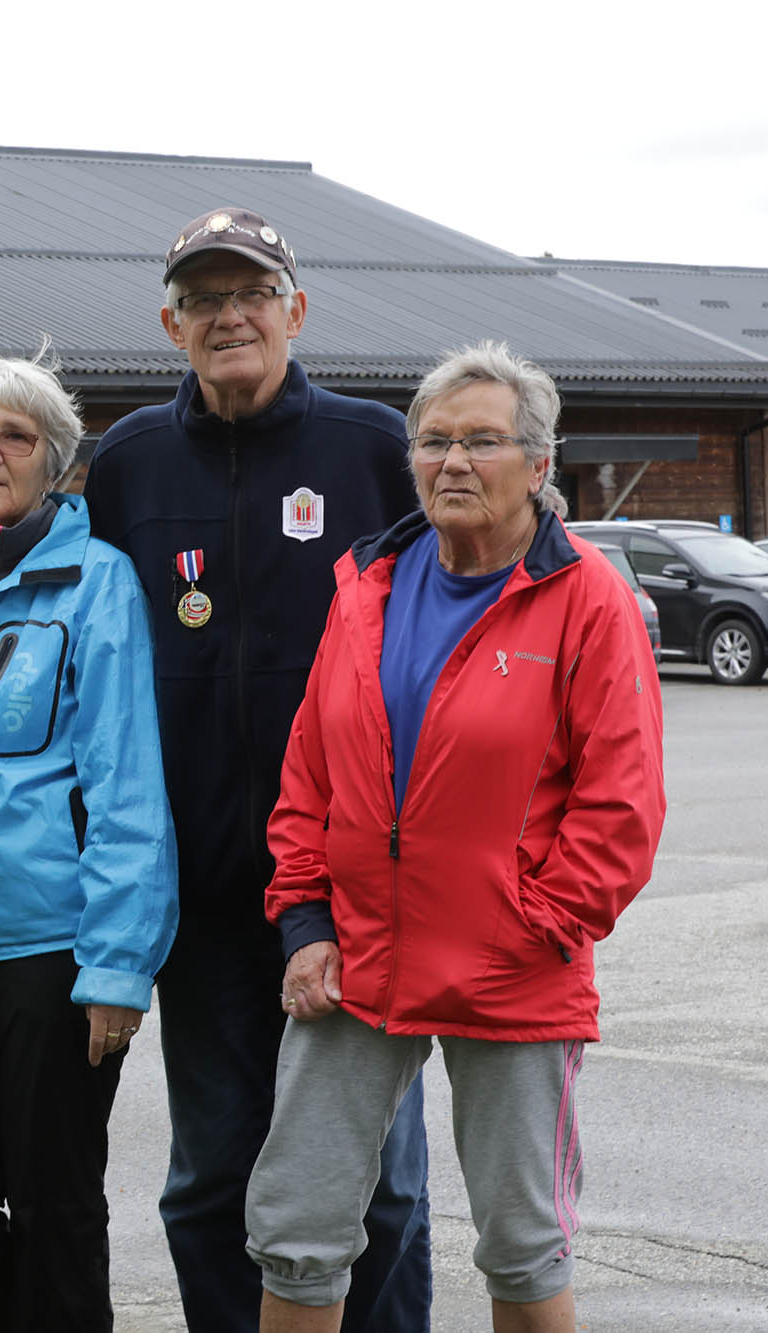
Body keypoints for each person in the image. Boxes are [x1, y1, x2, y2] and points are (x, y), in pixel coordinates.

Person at [247, 342, 665, 1331]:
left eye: (481, 440)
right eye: (431, 441)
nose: (451, 462)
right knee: (296, 1234)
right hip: (353, 952)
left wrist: (537, 921)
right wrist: (304, 918)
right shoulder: (364, 586)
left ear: (537, 463)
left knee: (522, 1246)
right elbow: (307, 773)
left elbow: (621, 806)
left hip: (511, 962)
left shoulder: (588, 602)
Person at [83, 207, 433, 1331]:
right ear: (168, 324)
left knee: (375, 1189)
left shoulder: (374, 448)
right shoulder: (129, 462)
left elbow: (481, 574)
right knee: (209, 1181)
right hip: (200, 897)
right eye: (201, 298)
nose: (227, 314)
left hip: (352, 893)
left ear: (294, 308)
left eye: (250, 292)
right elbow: (9, 550)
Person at [0, 349, 179, 1332]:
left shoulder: (95, 585)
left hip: (50, 950)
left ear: (53, 462)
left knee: (53, 1203)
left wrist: (116, 964)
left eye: (14, 435)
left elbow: (127, 784)